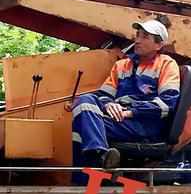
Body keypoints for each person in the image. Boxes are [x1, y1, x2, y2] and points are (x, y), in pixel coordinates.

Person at [71, 18, 180, 174]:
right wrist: (109, 104)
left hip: (144, 124)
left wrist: (130, 112)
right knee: (84, 101)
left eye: (145, 37)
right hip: (119, 119)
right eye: (137, 35)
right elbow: (103, 95)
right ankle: (101, 156)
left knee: (83, 125)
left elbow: (167, 104)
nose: (137, 40)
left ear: (159, 45)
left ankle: (91, 170)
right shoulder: (122, 65)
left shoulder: (167, 64)